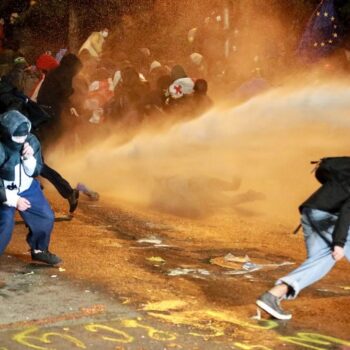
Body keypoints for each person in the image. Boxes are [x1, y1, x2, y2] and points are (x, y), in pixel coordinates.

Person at [256, 157, 350, 320]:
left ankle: (273, 295)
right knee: (339, 248)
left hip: (311, 211)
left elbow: (327, 173)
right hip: (327, 216)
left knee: (321, 261)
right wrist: (339, 243)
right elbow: (348, 211)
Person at [0, 110, 61, 265]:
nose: (21, 140)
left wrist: (29, 159)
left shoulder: (31, 140)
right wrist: (13, 199)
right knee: (4, 226)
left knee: (45, 217)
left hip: (27, 187)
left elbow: (36, 170)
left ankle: (39, 250)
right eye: (17, 137)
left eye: (24, 135)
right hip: (5, 191)